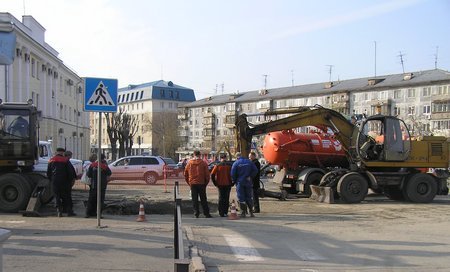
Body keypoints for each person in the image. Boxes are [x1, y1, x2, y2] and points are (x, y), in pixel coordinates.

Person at [47, 147, 76, 217]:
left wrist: (51, 179)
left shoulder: (51, 160)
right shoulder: (66, 160)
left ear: (56, 152)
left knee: (57, 196)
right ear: (63, 152)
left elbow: (48, 172)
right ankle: (69, 211)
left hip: (55, 181)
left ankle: (59, 211)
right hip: (65, 182)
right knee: (67, 197)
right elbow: (70, 172)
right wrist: (70, 181)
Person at [184, 150, 212, 218]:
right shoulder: (203, 163)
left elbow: (185, 174)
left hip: (193, 183)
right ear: (200, 155)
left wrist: (189, 183)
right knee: (203, 199)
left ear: (194, 155)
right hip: (201, 183)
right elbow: (207, 175)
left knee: (194, 199)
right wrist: (205, 183)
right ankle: (206, 213)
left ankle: (196, 213)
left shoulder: (189, 163)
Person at [231, 152, 258, 218]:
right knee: (249, 197)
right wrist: (250, 176)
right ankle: (251, 212)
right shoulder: (249, 162)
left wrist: (234, 180)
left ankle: (243, 213)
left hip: (240, 182)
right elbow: (255, 170)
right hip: (248, 182)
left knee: (241, 198)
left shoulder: (236, 163)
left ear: (237, 157)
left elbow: (232, 173)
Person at [85, 154, 112, 218]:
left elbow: (88, 174)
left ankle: (88, 213)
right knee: (100, 200)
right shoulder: (104, 166)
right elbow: (109, 173)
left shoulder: (92, 165)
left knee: (91, 199)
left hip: (93, 185)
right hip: (102, 186)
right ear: (103, 159)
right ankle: (98, 214)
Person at [63, 150, 77, 215]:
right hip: (67, 182)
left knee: (63, 196)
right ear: (68, 155)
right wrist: (72, 180)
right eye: (70, 155)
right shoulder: (67, 162)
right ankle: (69, 211)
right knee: (68, 197)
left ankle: (64, 209)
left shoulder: (62, 162)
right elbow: (71, 173)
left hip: (62, 182)